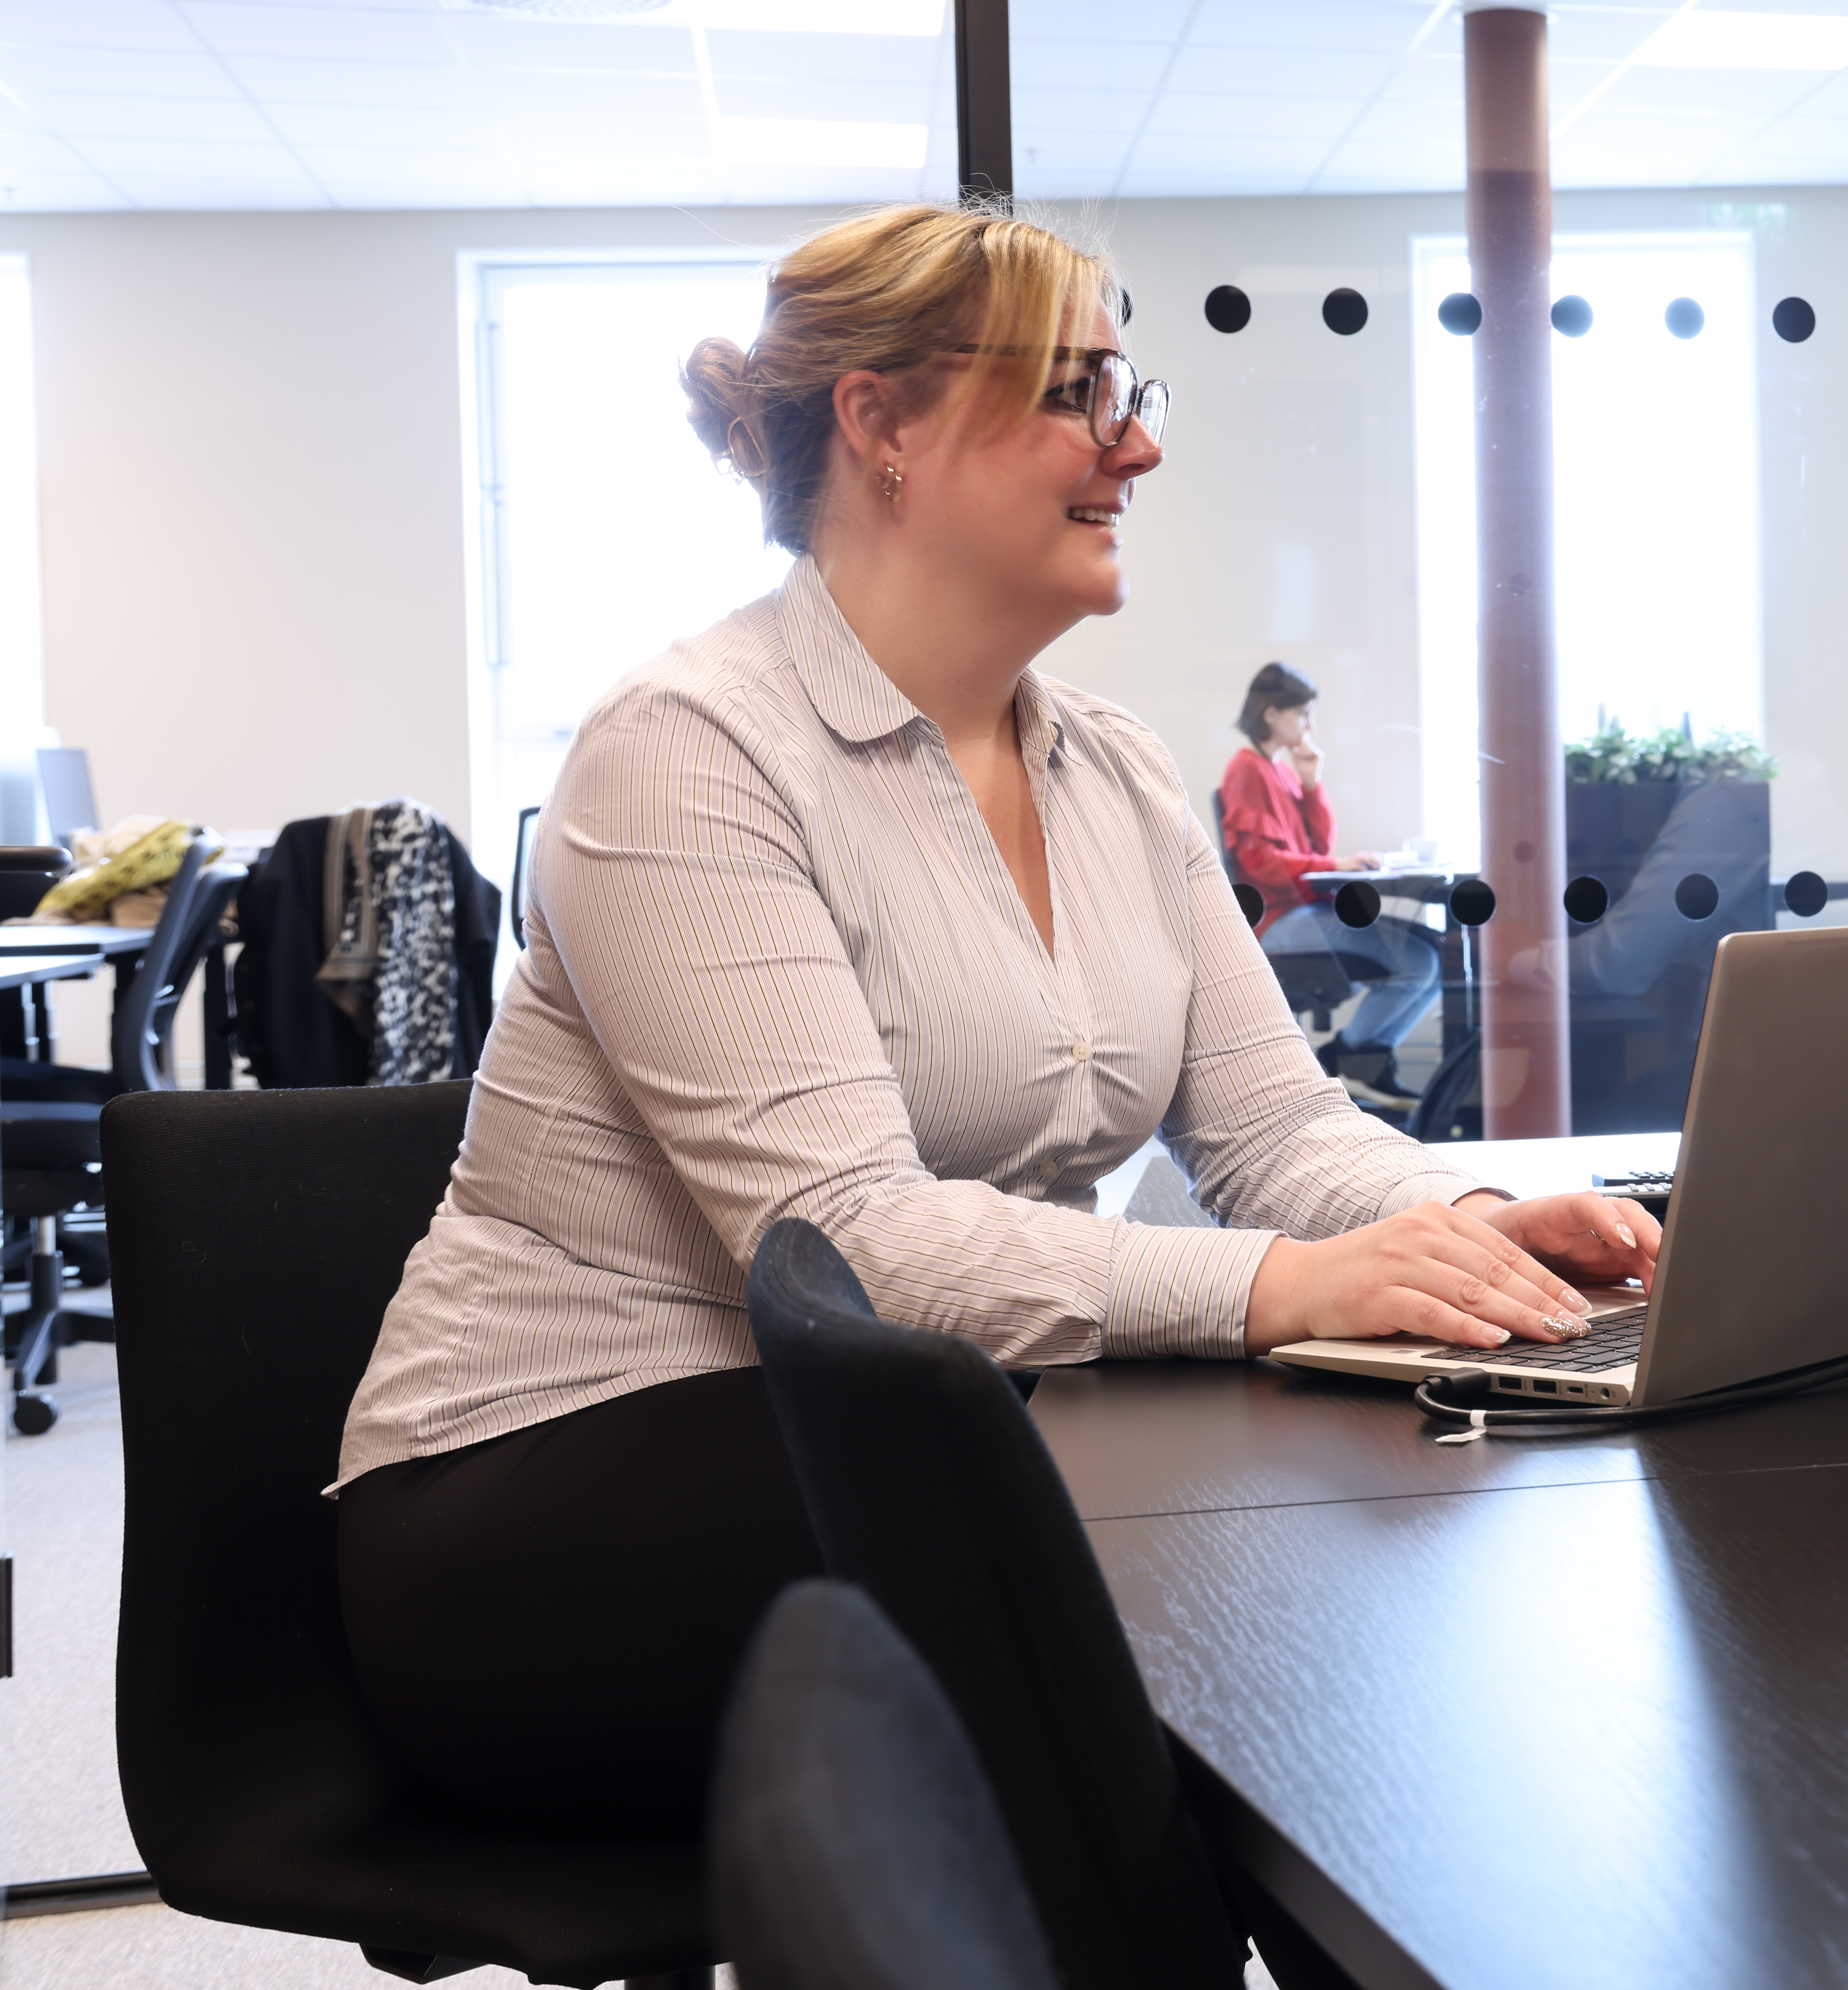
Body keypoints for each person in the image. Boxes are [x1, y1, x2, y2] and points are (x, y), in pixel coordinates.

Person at [331, 204, 1656, 1854]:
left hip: (901, 1425)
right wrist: (1286, 1285)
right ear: (878, 423)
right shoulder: (684, 751)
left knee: (1277, 1553)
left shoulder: (1112, 767)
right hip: (555, 1485)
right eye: (1076, 391)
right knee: (1160, 1616)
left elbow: (1277, 1137)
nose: (1142, 443)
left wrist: (1456, 1227)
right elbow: (853, 1250)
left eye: (1132, 387)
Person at [1219, 662, 1440, 1104]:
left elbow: (1320, 842)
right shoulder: (1247, 770)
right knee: (1419, 962)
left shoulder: (1279, 770)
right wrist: (1336, 862)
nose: (1310, 725)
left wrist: (1311, 785)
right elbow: (1257, 861)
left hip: (1305, 911)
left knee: (1434, 952)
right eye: (1303, 714)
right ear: (1272, 715)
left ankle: (1360, 1057)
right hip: (1282, 923)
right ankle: (1351, 1057)